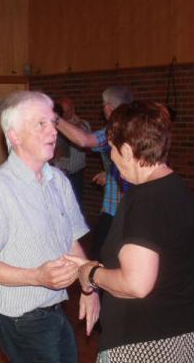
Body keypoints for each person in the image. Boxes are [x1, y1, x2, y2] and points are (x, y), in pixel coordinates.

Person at [68, 101, 194, 362]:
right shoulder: (179, 189)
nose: (111, 157)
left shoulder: (143, 199)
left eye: (112, 149)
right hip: (188, 335)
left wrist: (90, 273)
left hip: (142, 342)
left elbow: (136, 284)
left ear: (127, 151)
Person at [0, 91, 99, 362]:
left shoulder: (58, 181)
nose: (52, 130)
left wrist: (89, 287)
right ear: (15, 136)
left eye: (52, 122)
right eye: (40, 124)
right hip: (19, 318)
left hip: (53, 308)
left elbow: (71, 242)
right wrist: (37, 276)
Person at [56, 86, 132, 260]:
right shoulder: (139, 127)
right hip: (127, 208)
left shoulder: (115, 130)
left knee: (101, 257)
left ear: (109, 107)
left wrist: (54, 118)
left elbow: (84, 140)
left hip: (117, 210)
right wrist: (111, 173)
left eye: (103, 105)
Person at [52, 98, 90, 207]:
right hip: (59, 170)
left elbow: (87, 139)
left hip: (75, 173)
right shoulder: (56, 124)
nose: (64, 114)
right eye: (63, 111)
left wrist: (74, 124)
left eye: (67, 111)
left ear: (73, 109)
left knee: (75, 203)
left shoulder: (82, 124)